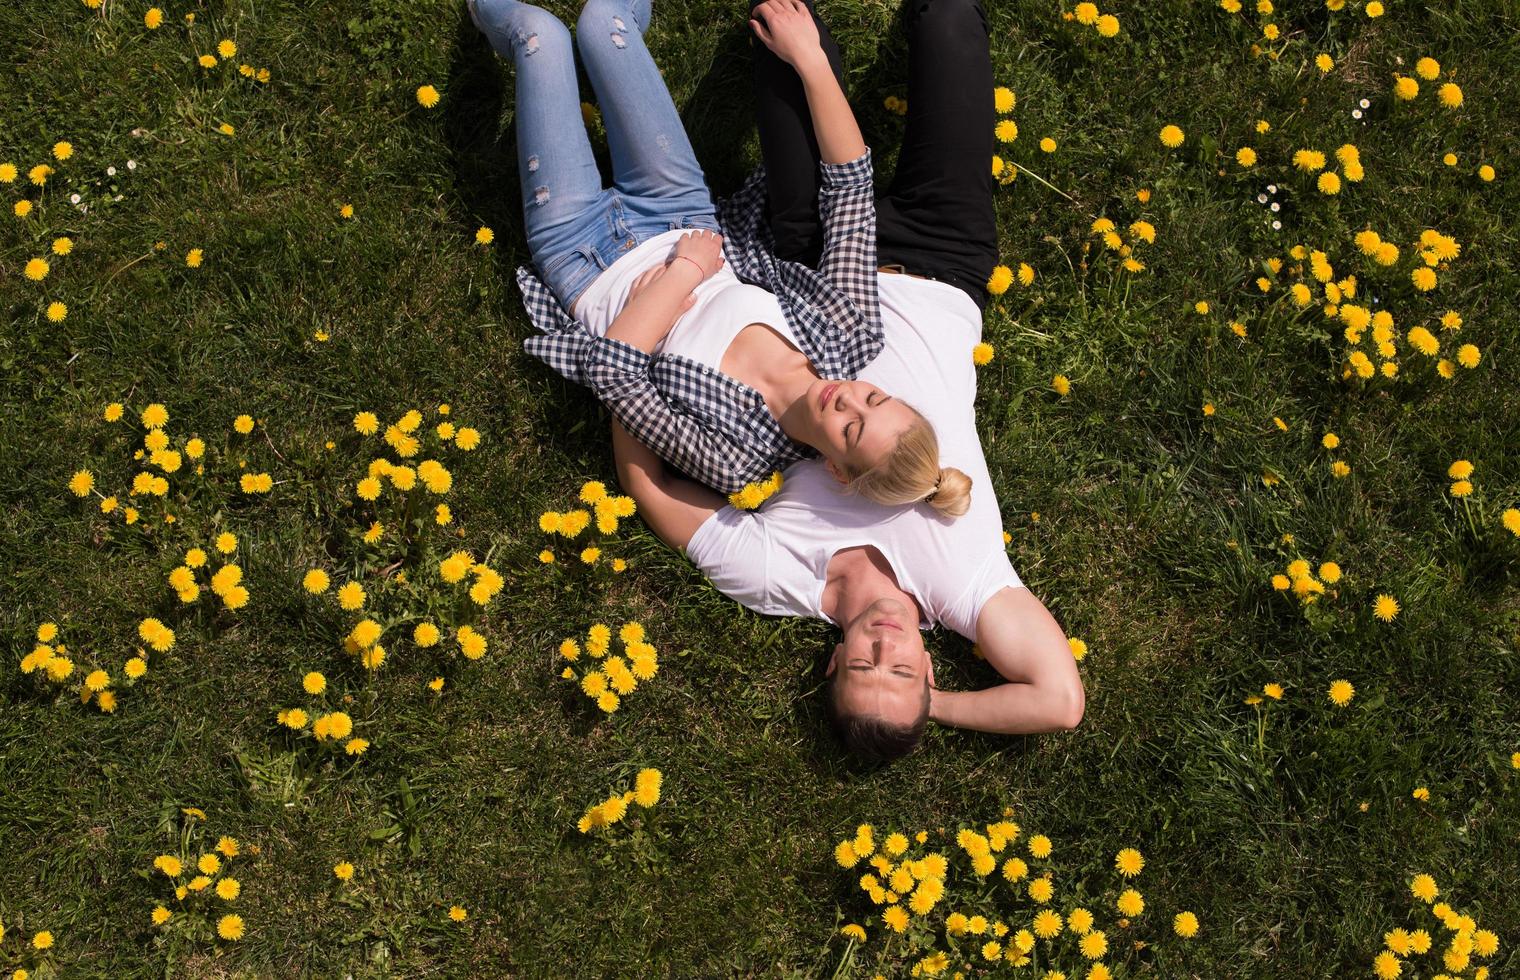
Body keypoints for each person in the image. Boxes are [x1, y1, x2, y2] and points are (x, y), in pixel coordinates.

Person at [610, 0, 1084, 762]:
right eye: (904, 669)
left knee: (779, 30)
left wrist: (629, 369)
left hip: (813, 249)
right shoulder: (964, 587)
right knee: (949, 23)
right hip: (945, 254)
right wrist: (932, 705)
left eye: (865, 666)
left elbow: (653, 490)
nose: (888, 646)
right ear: (929, 667)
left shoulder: (779, 578)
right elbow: (1060, 703)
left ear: (833, 662)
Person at [469, 0, 971, 515]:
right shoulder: (849, 332)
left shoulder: (737, 458)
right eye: (874, 399)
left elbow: (612, 376)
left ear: (837, 470)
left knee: (538, 33)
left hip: (581, 259)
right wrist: (811, 60)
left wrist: (680, 277)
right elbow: (849, 201)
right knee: (603, 21)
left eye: (851, 430)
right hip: (674, 207)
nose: (847, 401)